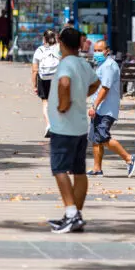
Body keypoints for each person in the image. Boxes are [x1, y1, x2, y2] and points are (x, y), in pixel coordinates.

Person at [46, 28, 100, 234]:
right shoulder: (83, 64)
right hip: (79, 126)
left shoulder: (66, 64)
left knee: (59, 169)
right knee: (78, 171)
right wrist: (82, 95)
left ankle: (70, 213)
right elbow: (96, 83)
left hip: (64, 126)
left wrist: (63, 104)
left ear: (60, 42)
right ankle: (75, 214)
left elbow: (65, 82)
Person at [87, 41, 135, 177]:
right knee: (95, 138)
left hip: (106, 108)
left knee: (103, 137)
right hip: (100, 108)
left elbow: (105, 88)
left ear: (107, 51)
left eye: (100, 50)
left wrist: (94, 105)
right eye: (95, 50)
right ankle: (97, 169)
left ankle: (129, 158)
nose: (97, 53)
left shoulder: (109, 66)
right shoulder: (102, 65)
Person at [32, 30, 60, 136]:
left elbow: (34, 70)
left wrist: (34, 85)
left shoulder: (39, 50)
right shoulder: (60, 49)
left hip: (43, 79)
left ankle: (49, 125)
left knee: (45, 102)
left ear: (44, 39)